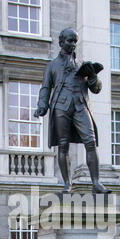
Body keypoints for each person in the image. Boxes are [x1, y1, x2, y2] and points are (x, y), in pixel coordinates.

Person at [34, 27, 111, 194]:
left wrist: (92, 77)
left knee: (91, 142)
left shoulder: (83, 65)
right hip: (61, 106)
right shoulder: (52, 66)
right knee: (63, 146)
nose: (73, 44)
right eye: (70, 40)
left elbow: (96, 89)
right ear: (62, 42)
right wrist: (42, 105)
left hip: (80, 105)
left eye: (75, 41)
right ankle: (67, 183)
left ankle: (96, 183)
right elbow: (45, 88)